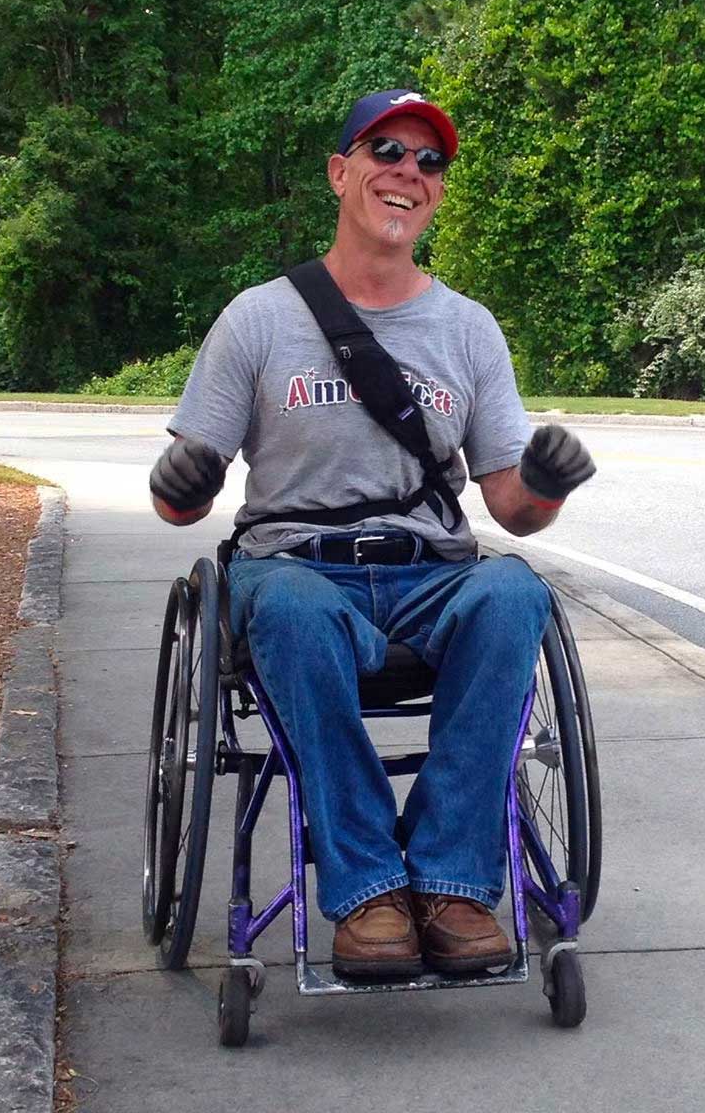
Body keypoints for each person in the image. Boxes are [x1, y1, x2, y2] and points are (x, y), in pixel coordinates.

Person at [147, 89, 595, 979]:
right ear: (340, 171)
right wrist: (180, 488)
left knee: (516, 591)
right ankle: (367, 892)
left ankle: (453, 880)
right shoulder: (259, 318)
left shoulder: (468, 330)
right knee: (292, 612)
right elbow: (181, 506)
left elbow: (511, 509)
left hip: (433, 572)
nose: (409, 172)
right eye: (386, 149)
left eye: (430, 161)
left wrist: (543, 486)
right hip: (296, 568)